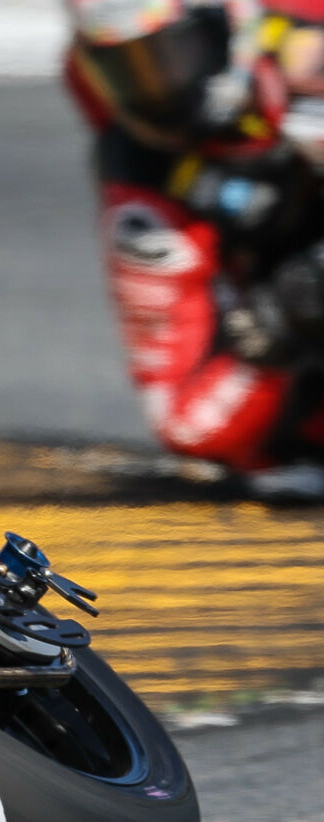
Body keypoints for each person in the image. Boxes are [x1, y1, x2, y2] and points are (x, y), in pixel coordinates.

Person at [66, 0, 324, 498]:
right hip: (270, 283)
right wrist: (282, 318)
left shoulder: (303, 32)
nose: (158, 89)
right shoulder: (143, 192)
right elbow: (185, 420)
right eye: (128, 69)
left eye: (174, 55)